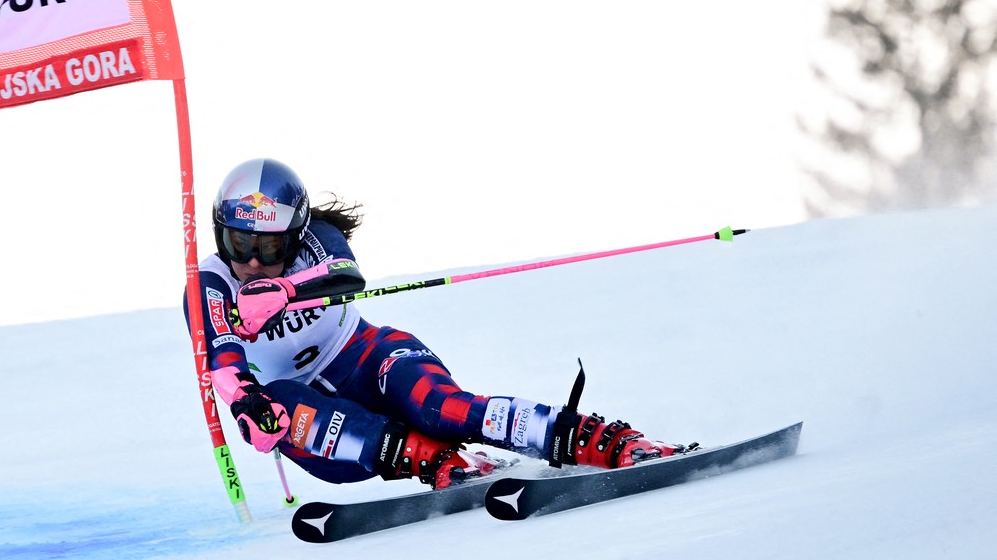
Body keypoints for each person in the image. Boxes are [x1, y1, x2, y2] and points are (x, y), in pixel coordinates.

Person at [185, 157, 692, 490]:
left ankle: (596, 438)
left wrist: (286, 290)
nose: (251, 263)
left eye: (268, 248)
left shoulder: (314, 238)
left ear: (293, 236)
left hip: (368, 357)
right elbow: (224, 364)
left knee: (440, 406)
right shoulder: (209, 284)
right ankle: (432, 460)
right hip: (322, 431)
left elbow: (346, 274)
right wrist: (247, 402)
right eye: (238, 244)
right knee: (279, 402)